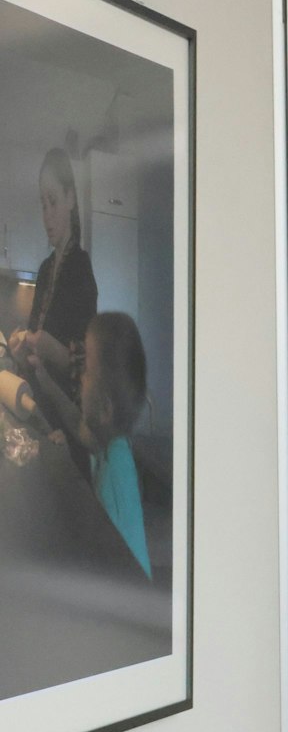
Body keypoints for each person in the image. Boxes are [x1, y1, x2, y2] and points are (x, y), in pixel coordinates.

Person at [7, 312, 152, 576]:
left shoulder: (116, 481)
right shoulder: (111, 443)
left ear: (105, 409)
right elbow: (77, 424)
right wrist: (42, 376)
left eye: (86, 370)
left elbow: (104, 563)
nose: (80, 377)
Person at [5, 148, 99, 402]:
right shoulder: (46, 270)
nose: (47, 215)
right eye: (43, 204)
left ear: (70, 199)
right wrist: (22, 352)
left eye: (53, 201)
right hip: (41, 399)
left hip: (68, 409)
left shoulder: (80, 267)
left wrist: (49, 348)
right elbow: (35, 345)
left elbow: (85, 367)